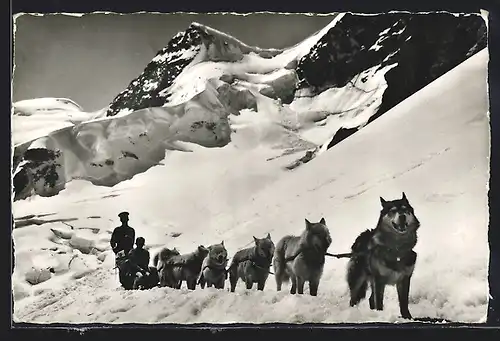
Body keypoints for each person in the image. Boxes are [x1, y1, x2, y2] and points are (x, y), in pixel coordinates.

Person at [110, 212, 136, 288]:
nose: (124, 220)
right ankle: (126, 284)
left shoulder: (130, 230)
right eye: (123, 219)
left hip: (128, 253)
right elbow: (112, 242)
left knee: (129, 268)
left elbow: (132, 242)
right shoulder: (124, 230)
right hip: (122, 253)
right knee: (123, 269)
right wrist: (116, 251)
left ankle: (129, 283)